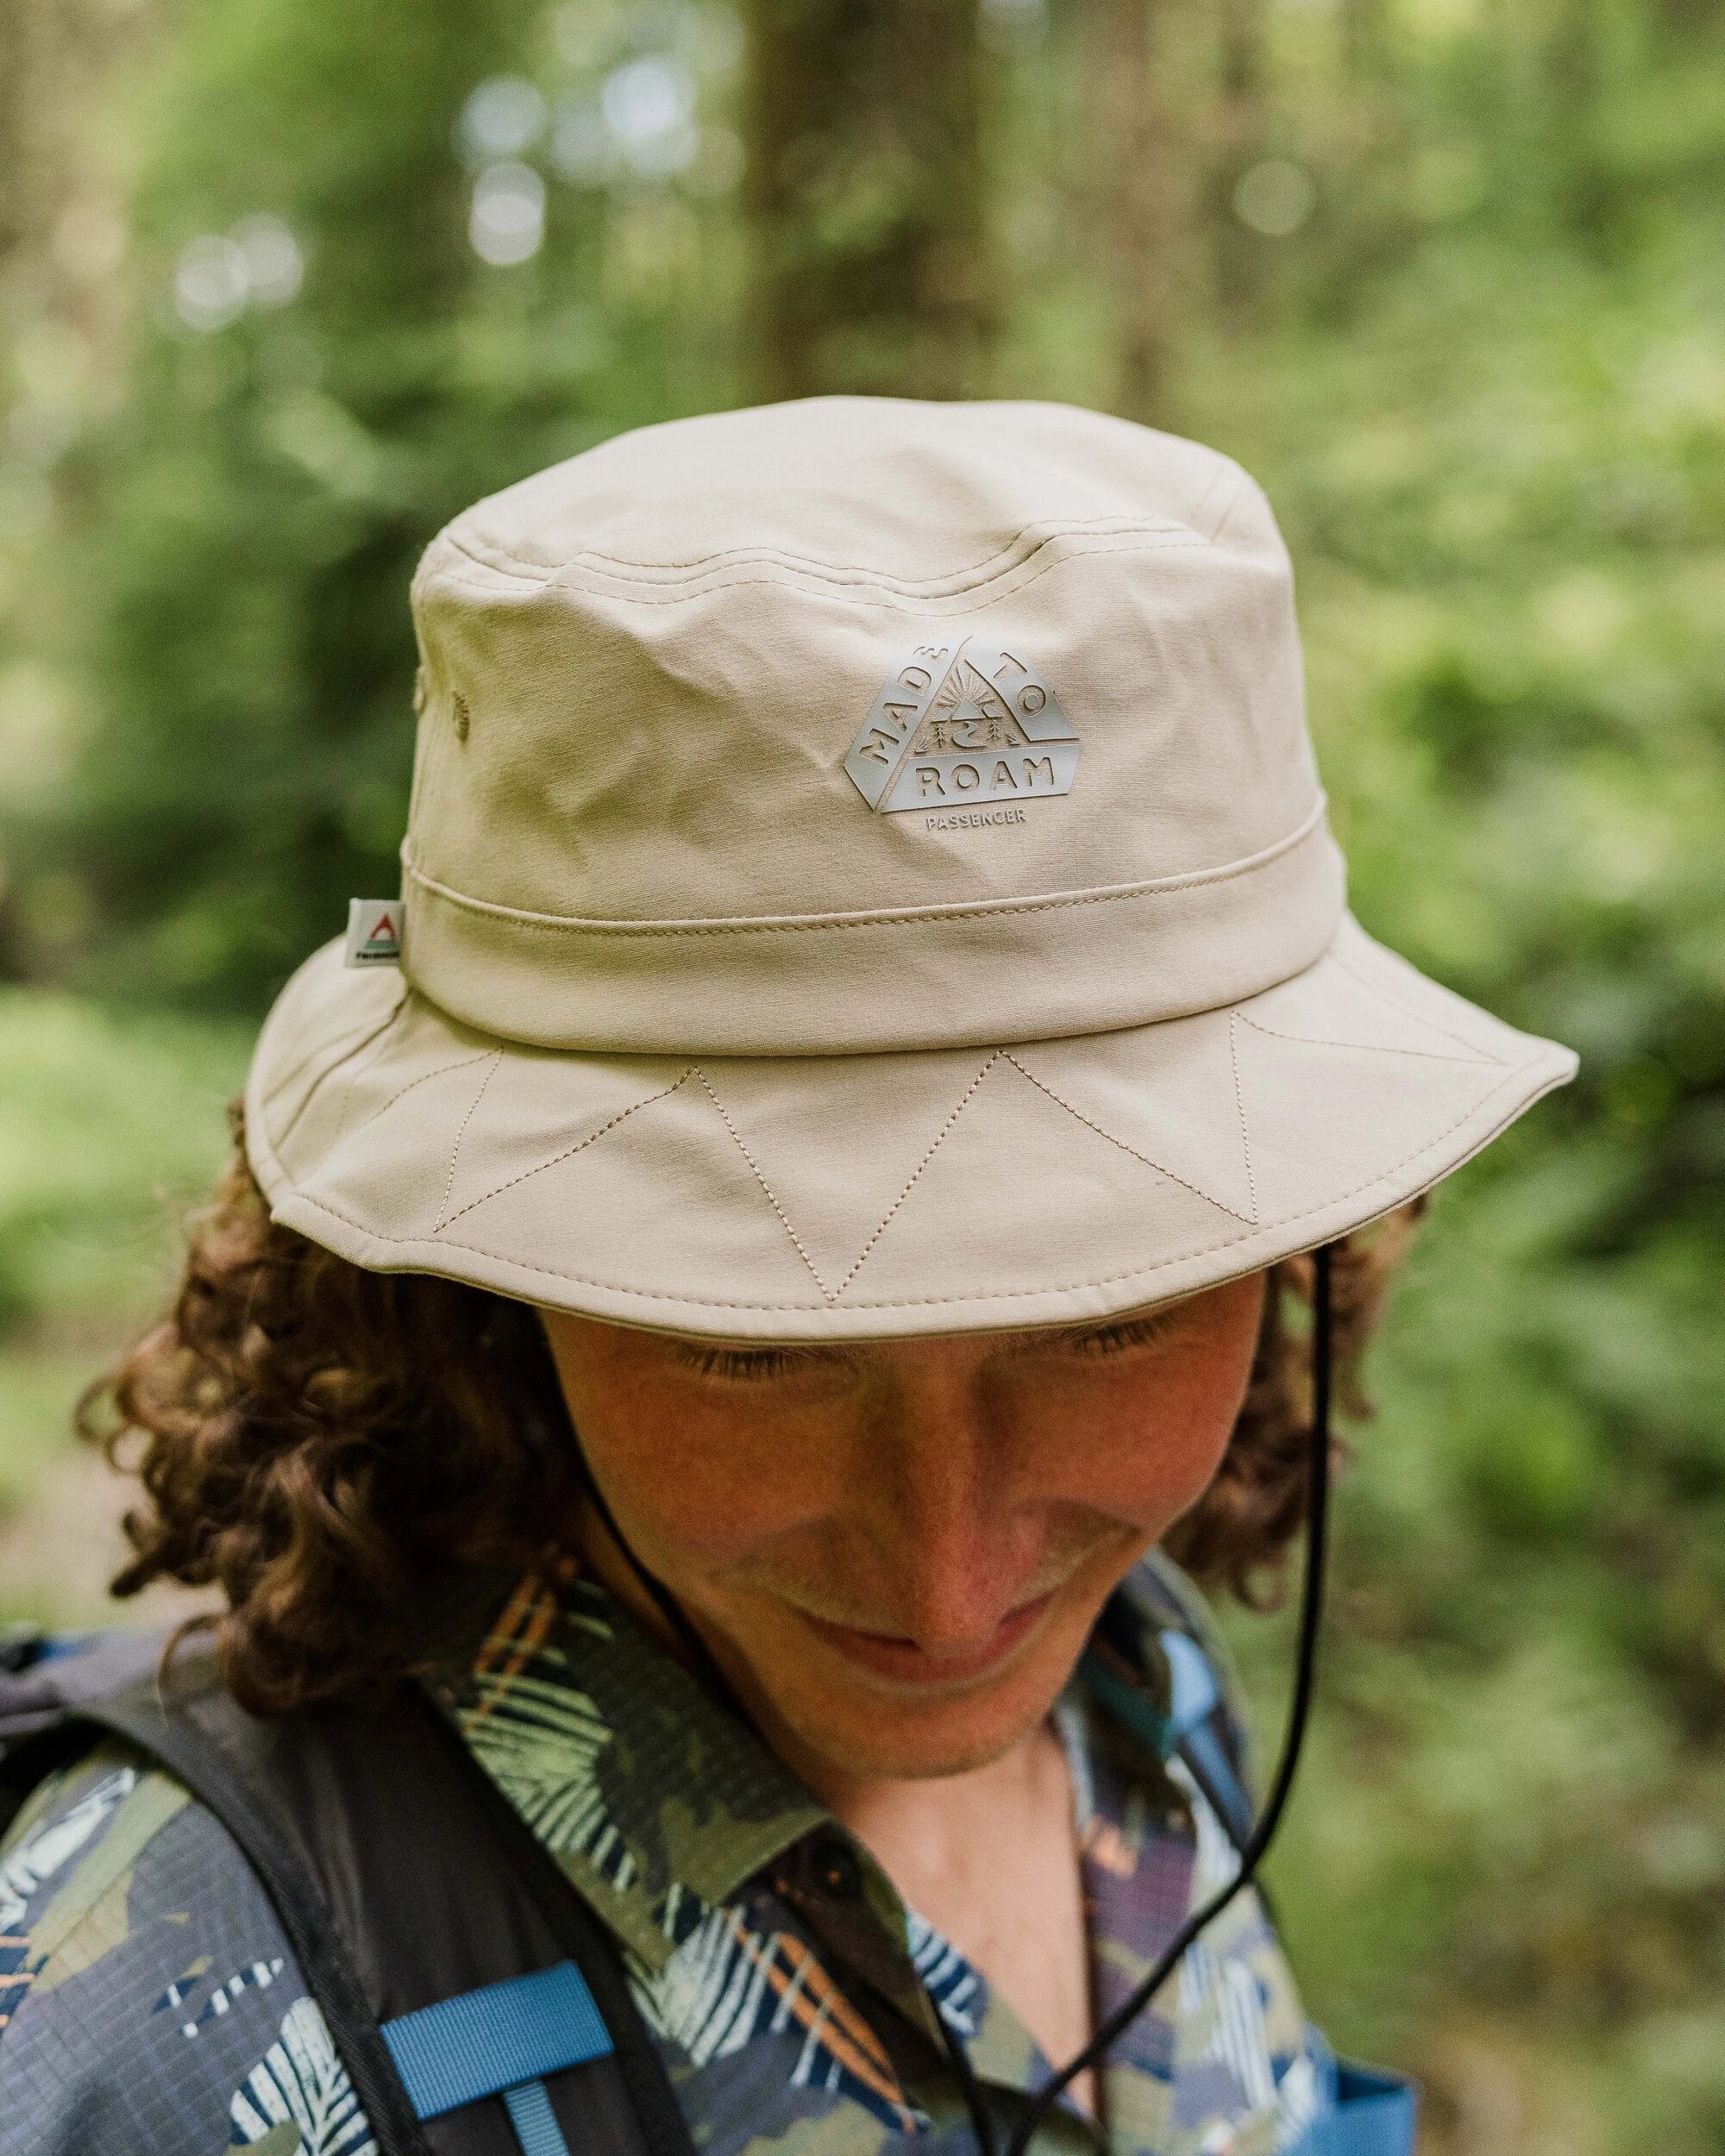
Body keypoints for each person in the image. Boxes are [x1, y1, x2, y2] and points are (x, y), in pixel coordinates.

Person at [0, 398, 1574, 2156]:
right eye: (753, 1348)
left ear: (1295, 1260)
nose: (949, 1584)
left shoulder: (1146, 1701)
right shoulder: (172, 2016)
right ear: (481, 1295)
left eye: (1108, 1319)